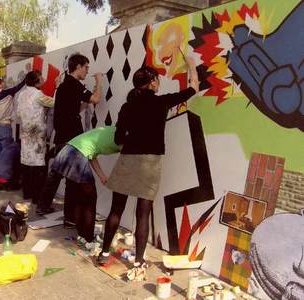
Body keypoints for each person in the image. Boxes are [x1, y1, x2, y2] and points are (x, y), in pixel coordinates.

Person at [97, 59, 199, 281]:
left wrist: (132, 142)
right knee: (142, 213)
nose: (159, 84)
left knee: (116, 209)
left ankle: (104, 253)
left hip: (126, 160)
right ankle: (139, 261)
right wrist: (191, 65)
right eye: (157, 81)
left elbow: (117, 138)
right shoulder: (162, 103)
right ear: (152, 83)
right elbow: (193, 88)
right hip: (150, 163)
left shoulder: (127, 106)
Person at [36, 53, 103, 227]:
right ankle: (70, 218)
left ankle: (43, 206)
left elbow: (73, 107)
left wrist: (84, 103)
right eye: (86, 67)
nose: (87, 71)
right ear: (78, 67)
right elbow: (96, 99)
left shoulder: (65, 86)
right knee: (72, 180)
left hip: (62, 136)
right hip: (71, 138)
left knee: (57, 174)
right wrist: (99, 82)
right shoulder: (75, 85)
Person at [48, 126, 120, 242]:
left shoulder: (111, 130)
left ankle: (82, 234)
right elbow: (125, 160)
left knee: (79, 196)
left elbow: (91, 154)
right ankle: (88, 238)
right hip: (76, 154)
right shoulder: (124, 136)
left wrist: (102, 176)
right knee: (89, 198)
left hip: (69, 150)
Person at [16, 70, 54, 203]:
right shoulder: (38, 95)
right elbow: (54, 103)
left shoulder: (21, 95)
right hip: (37, 134)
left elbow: (19, 113)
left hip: (26, 132)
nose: (43, 78)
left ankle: (27, 193)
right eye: (41, 77)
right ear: (36, 81)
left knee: (26, 163)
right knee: (38, 165)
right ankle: (36, 197)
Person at [0, 76, 26, 187]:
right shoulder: (6, 94)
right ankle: (3, 179)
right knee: (6, 155)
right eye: (3, 81)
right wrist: (26, 78)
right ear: (0, 85)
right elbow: (18, 87)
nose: (5, 83)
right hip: (5, 127)